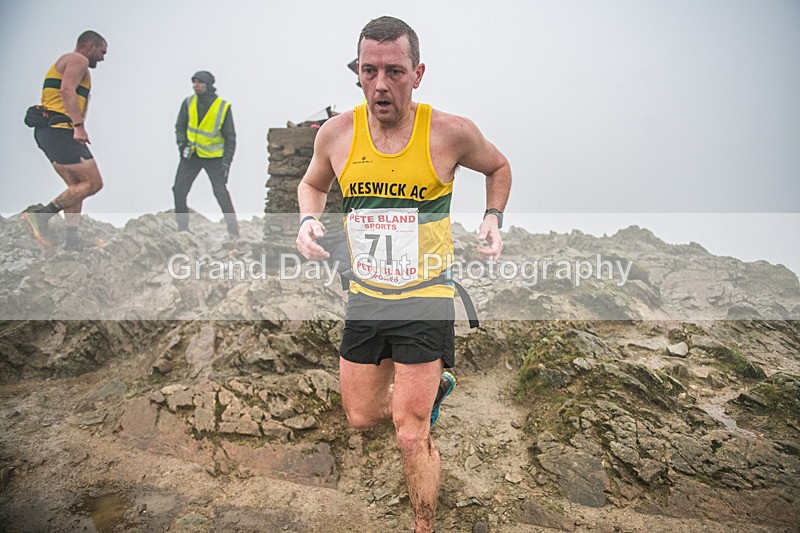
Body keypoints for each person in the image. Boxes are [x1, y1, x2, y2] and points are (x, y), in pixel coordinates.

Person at [295, 16, 511, 533]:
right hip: (366, 296)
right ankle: (434, 386)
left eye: (394, 71)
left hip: (425, 296)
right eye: (369, 71)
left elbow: (498, 167)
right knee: (361, 416)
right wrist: (306, 221)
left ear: (417, 74)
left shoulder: (450, 132)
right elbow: (312, 184)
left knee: (410, 433)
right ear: (358, 72)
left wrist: (492, 217)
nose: (380, 84)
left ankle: (424, 525)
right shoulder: (337, 134)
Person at [23, 30, 108, 251]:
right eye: (102, 52)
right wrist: (79, 127)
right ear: (90, 46)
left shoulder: (69, 61)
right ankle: (41, 216)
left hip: (49, 132)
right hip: (60, 130)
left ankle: (72, 241)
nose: (102, 58)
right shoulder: (78, 59)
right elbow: (67, 90)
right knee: (94, 183)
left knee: (76, 187)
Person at [172, 71, 239, 239]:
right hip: (191, 156)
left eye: (200, 82)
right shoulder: (188, 103)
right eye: (194, 82)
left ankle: (233, 232)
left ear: (209, 85)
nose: (196, 85)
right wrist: (182, 146)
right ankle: (182, 228)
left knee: (220, 193)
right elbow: (180, 126)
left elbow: (230, 138)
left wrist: (226, 163)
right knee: (179, 189)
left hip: (214, 158)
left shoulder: (222, 107)